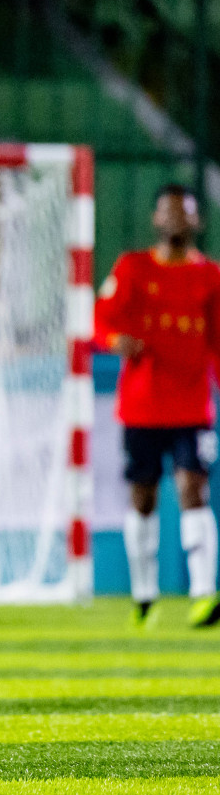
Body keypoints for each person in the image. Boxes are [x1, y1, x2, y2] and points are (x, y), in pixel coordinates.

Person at [94, 184, 220, 629]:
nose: (177, 221)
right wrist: (114, 341)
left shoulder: (211, 277)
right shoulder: (132, 268)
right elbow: (101, 319)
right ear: (156, 219)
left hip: (192, 407)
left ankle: (205, 592)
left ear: (197, 222)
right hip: (142, 406)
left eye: (185, 213)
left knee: (193, 489)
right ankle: (145, 593)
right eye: (169, 212)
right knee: (143, 498)